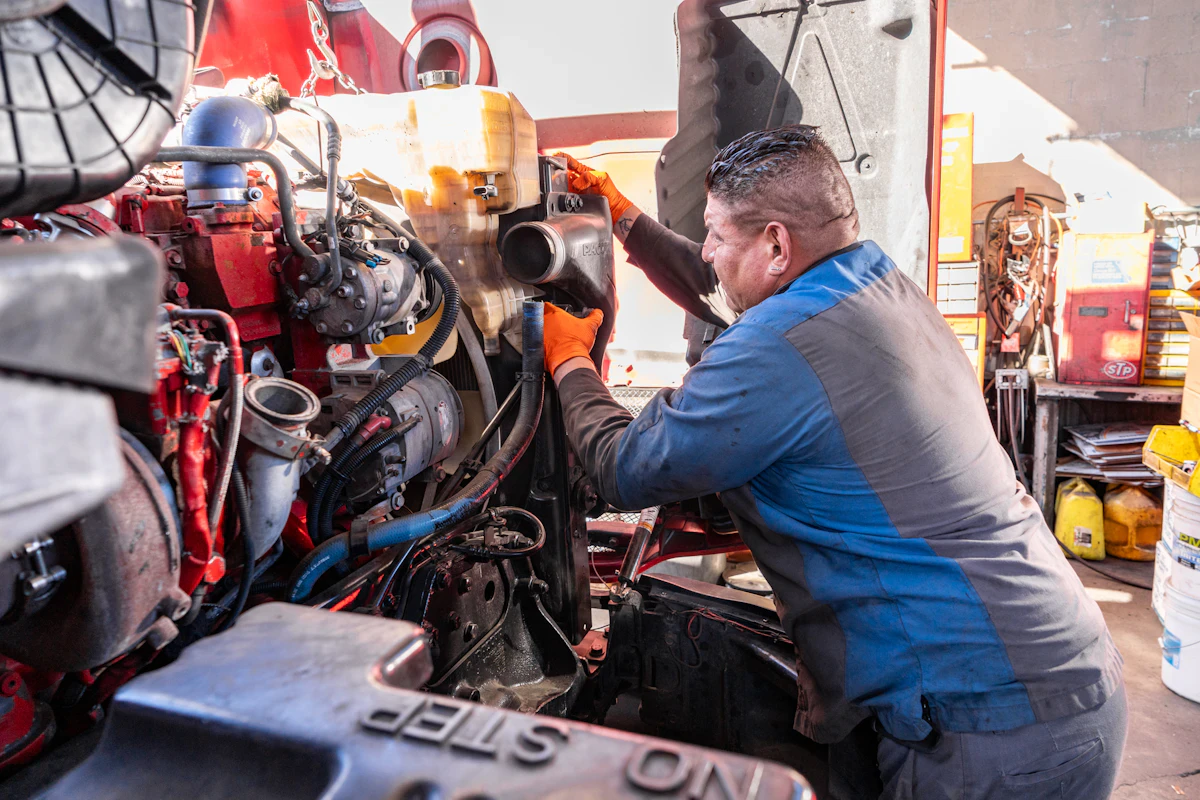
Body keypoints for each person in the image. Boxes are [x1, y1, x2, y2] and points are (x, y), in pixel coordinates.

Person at [544, 127, 1127, 800]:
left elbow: (624, 467)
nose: (706, 250)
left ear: (776, 245)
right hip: (1058, 675)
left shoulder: (778, 346)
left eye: (715, 234)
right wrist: (621, 215)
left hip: (992, 731)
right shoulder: (874, 284)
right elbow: (718, 285)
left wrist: (568, 358)